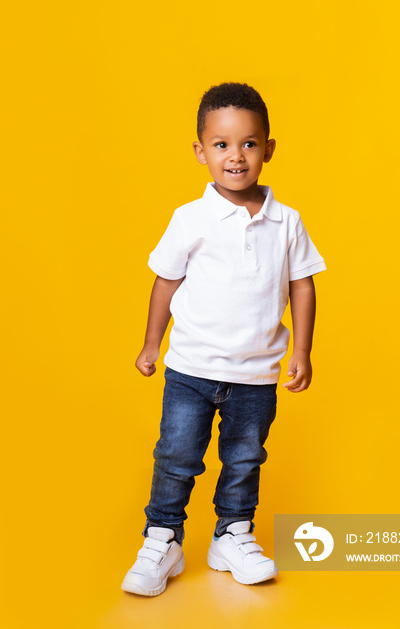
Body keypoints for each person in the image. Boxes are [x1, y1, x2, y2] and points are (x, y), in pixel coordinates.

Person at [121, 82, 327, 596]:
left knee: (244, 459)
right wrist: (152, 343)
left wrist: (301, 349)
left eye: (249, 144)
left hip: (256, 374)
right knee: (177, 456)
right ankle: (162, 538)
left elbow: (302, 284)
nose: (236, 156)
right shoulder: (190, 219)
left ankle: (232, 534)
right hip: (190, 369)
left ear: (268, 150)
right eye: (221, 144)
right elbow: (165, 280)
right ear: (201, 152)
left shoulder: (287, 221)